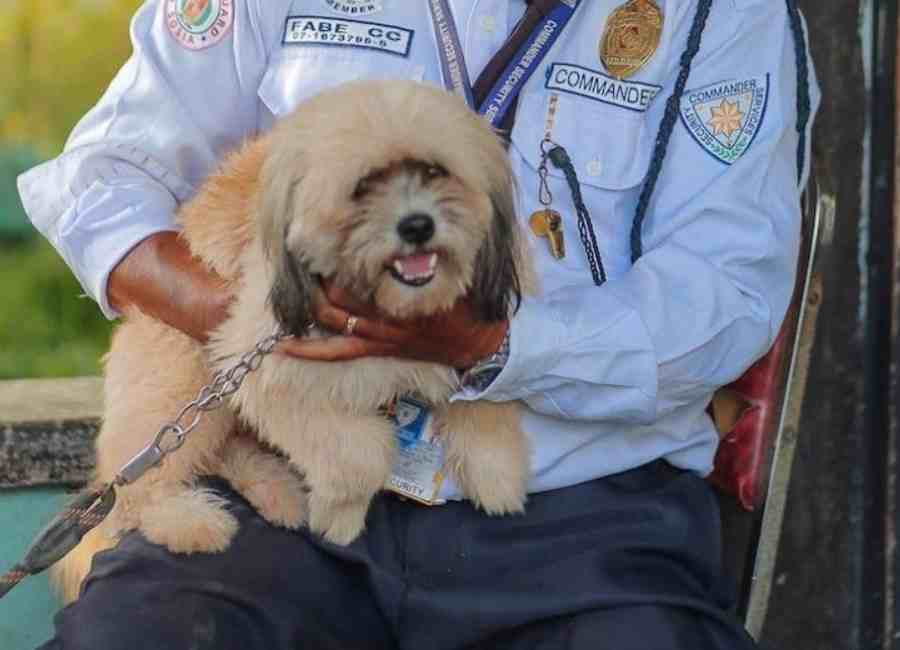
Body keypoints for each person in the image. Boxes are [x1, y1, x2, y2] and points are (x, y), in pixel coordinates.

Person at [18, 0, 820, 648]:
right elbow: (105, 175)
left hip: (578, 514)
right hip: (285, 490)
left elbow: (731, 290)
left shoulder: (723, 17)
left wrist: (493, 347)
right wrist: (266, 324)